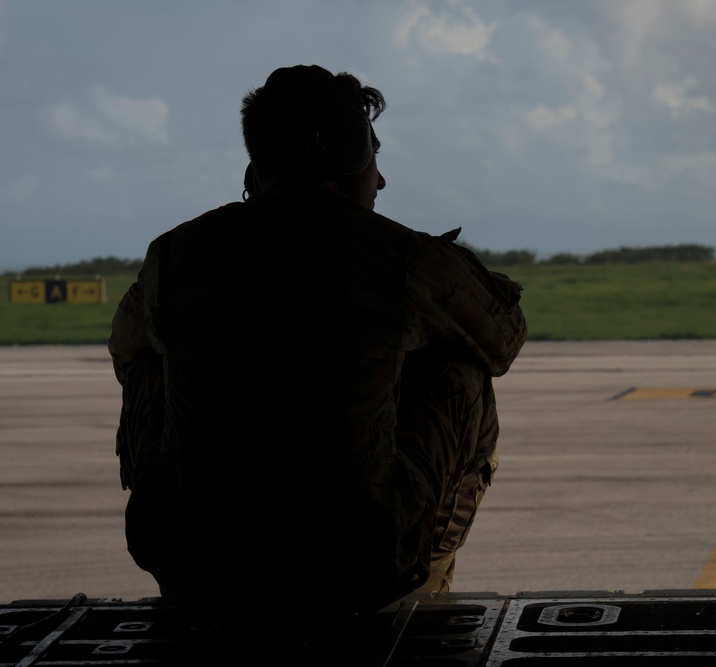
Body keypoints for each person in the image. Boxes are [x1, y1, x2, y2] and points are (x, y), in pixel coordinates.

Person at [108, 64, 527, 624]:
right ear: (342, 156)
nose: (379, 181)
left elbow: (123, 349)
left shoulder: (176, 253)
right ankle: (426, 582)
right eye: (374, 156)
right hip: (360, 569)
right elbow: (503, 340)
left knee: (147, 363)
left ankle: (185, 585)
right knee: (463, 364)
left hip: (199, 565)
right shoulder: (400, 257)